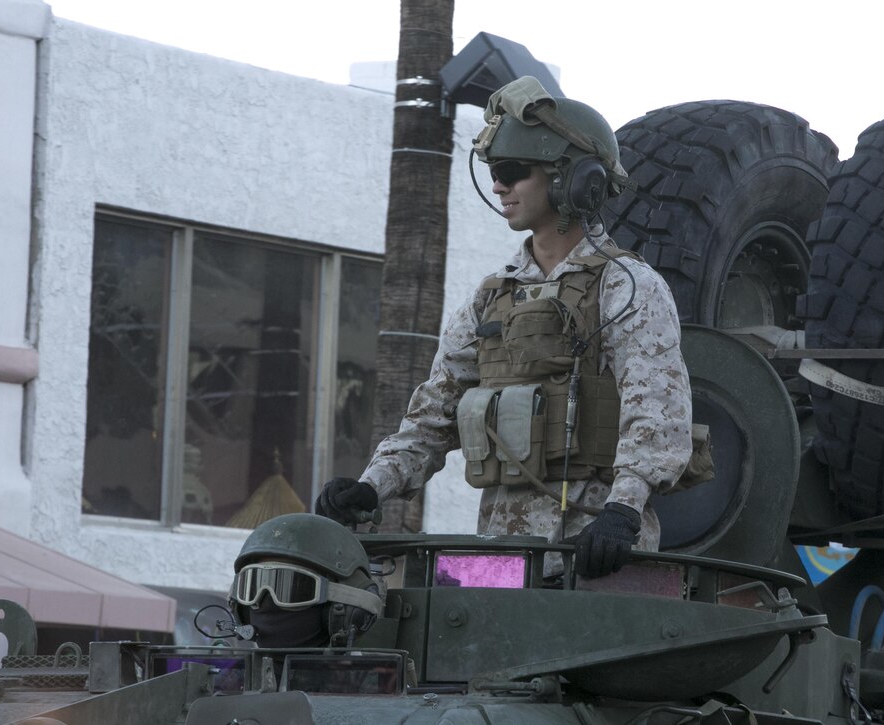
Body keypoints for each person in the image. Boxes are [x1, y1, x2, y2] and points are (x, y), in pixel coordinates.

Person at [317, 76, 692, 579]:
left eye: (514, 171)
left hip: (597, 554)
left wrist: (624, 510)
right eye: (495, 171)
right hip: (503, 558)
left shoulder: (627, 286)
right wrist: (371, 487)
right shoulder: (494, 297)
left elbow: (656, 414)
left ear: (573, 179)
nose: (499, 185)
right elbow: (434, 414)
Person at [228, 513, 383, 649]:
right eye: (253, 587)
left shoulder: (381, 680)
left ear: (351, 613)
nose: (267, 601)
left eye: (291, 589)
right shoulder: (227, 677)